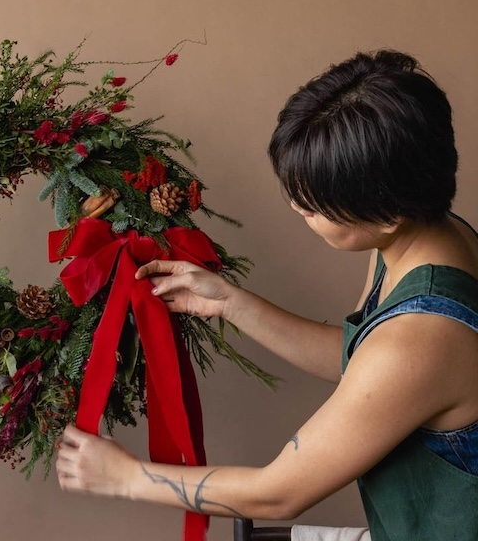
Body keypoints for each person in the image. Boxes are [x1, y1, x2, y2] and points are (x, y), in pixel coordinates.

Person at [55, 49, 478, 541]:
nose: (298, 206)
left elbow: (279, 492)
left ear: (387, 212)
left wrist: (126, 478)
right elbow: (363, 360)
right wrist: (231, 303)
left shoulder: (423, 337)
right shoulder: (429, 237)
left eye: (316, 203)